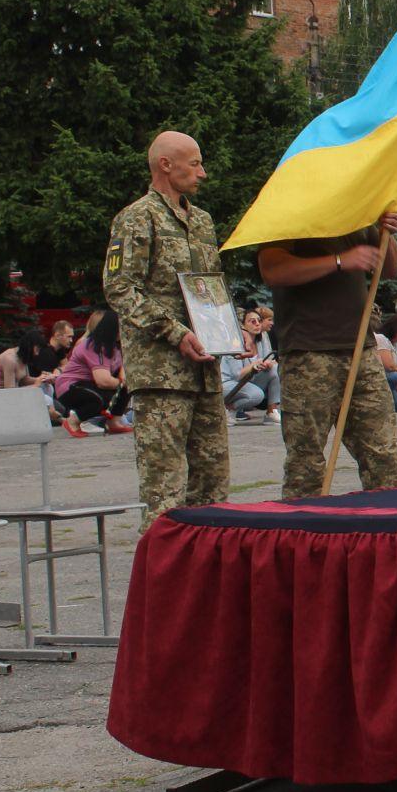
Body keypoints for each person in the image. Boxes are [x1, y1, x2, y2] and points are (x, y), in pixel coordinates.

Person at [103, 131, 228, 525]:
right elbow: (119, 287)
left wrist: (229, 330)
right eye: (195, 164)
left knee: (213, 484)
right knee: (165, 492)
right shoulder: (137, 218)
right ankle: (161, 579)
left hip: (205, 368)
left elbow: (209, 287)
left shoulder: (202, 220)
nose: (202, 173)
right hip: (163, 372)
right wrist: (175, 332)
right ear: (165, 165)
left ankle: (208, 575)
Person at [258, 205, 397, 499]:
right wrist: (339, 260)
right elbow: (273, 269)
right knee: (306, 464)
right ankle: (302, 538)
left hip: (360, 350)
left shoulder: (357, 208)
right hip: (309, 352)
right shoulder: (291, 206)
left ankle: (390, 533)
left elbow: (390, 269)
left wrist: (384, 231)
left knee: (383, 458)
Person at [53, 310, 132, 436]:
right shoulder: (94, 346)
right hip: (70, 386)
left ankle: (114, 423)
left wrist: (124, 381)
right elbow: (103, 381)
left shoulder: (116, 347)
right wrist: (123, 382)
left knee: (126, 388)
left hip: (88, 384)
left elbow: (123, 370)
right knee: (99, 399)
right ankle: (73, 421)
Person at [221, 307, 282, 422]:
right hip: (229, 383)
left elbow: (269, 359)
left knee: (274, 369)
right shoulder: (235, 342)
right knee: (256, 395)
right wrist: (255, 364)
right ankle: (228, 410)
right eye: (252, 321)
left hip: (248, 380)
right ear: (243, 325)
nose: (257, 324)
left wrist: (268, 363)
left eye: (259, 320)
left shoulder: (262, 338)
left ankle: (271, 411)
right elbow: (237, 375)